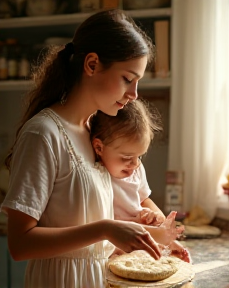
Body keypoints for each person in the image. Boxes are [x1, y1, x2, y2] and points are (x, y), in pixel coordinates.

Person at [0, 9, 169, 288]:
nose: (134, 94)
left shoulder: (99, 133)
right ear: (91, 64)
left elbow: (128, 201)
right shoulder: (44, 134)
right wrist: (106, 229)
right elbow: (19, 245)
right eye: (128, 78)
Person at [89, 99, 192, 263]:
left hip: (142, 232)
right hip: (115, 242)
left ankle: (170, 246)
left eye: (140, 156)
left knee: (163, 255)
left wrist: (157, 218)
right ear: (99, 148)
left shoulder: (135, 169)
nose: (135, 164)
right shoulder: (95, 173)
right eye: (127, 157)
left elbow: (144, 199)